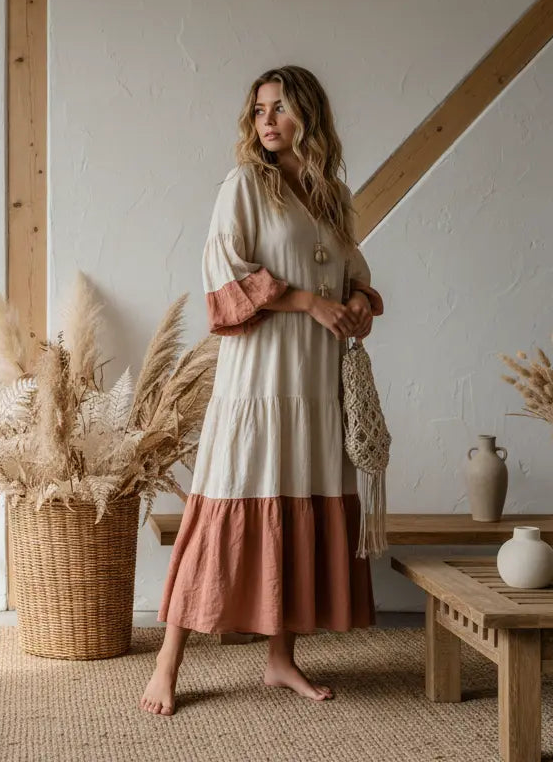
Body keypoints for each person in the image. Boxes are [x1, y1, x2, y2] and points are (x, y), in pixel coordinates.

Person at [139, 65, 385, 717]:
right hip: (259, 380)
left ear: (309, 114)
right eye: (258, 111)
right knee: (228, 503)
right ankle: (168, 663)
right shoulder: (245, 185)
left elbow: (355, 269)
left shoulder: (330, 193)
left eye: (279, 108)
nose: (267, 121)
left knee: (298, 505)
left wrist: (355, 301)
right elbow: (224, 276)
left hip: (315, 382)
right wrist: (310, 303)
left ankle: (281, 659)